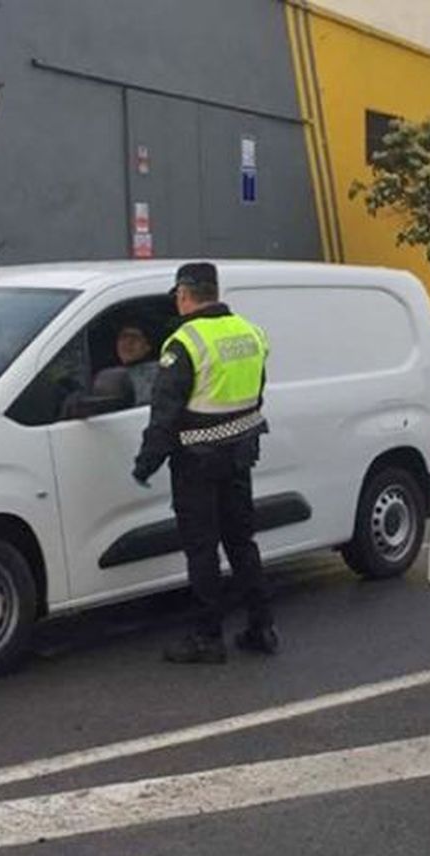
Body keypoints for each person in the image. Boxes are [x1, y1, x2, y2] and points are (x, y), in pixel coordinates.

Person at [133, 263, 278, 664]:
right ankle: (261, 627)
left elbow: (164, 415)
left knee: (202, 549)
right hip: (241, 453)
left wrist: (145, 465)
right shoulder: (250, 333)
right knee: (241, 542)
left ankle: (207, 637)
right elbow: (257, 392)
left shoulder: (184, 343)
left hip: (197, 461)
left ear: (184, 294)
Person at [115, 323, 159, 405]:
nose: (128, 342)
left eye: (135, 338)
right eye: (123, 337)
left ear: (147, 346)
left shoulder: (157, 372)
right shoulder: (111, 374)